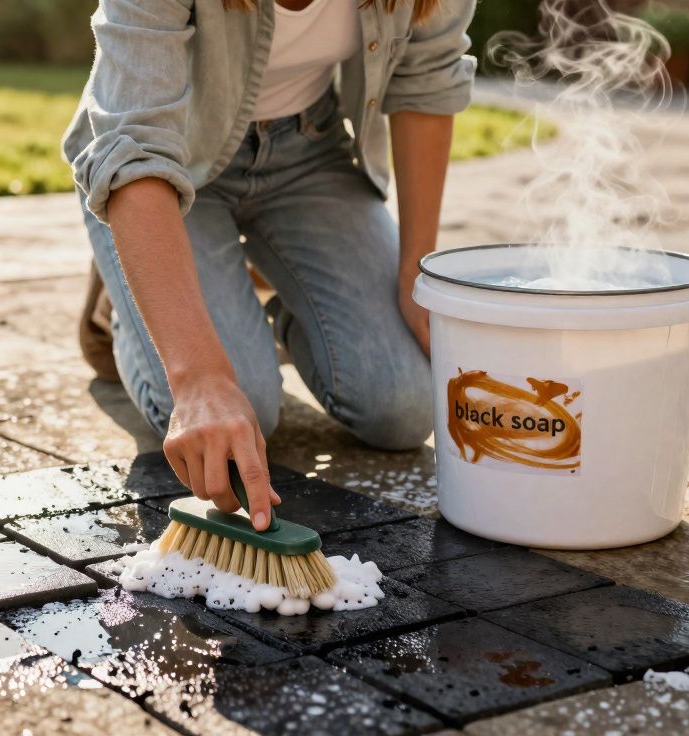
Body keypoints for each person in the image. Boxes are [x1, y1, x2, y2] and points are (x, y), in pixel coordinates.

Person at [66, 0, 476, 531]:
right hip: (161, 167)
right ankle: (131, 275)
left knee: (401, 407)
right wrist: (198, 378)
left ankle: (244, 301)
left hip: (307, 151)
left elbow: (427, 77)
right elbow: (134, 145)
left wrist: (413, 274)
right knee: (243, 408)